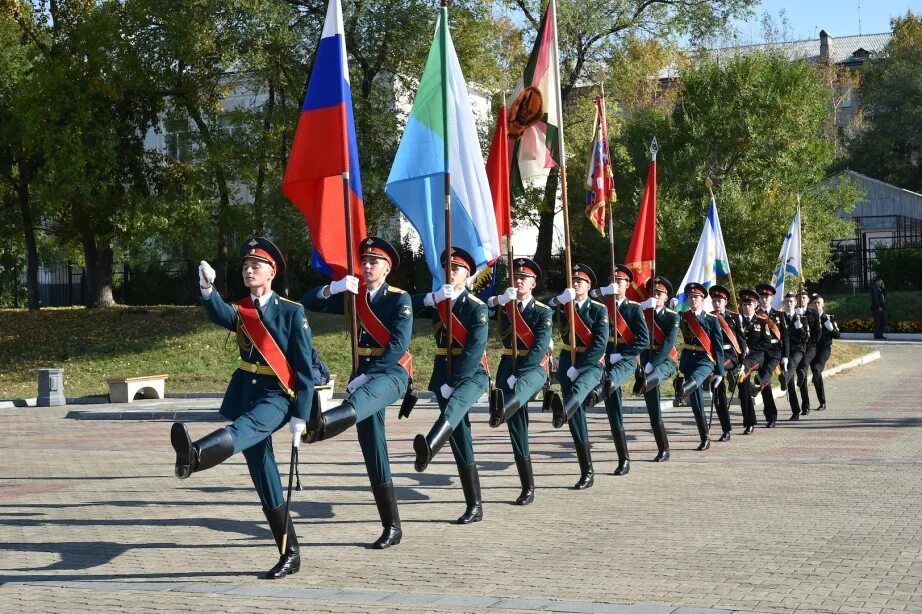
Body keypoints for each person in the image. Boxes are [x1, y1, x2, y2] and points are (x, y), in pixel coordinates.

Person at [171, 237, 315, 579]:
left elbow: (304, 368)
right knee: (264, 475)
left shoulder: (292, 312)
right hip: (245, 393)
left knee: (244, 429)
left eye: (256, 266)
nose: (249, 271)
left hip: (277, 396)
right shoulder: (242, 309)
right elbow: (221, 314)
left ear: (272, 272)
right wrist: (208, 290)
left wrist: (301, 415)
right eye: (246, 266)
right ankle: (290, 553)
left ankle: (196, 455)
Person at [300, 237, 412, 549]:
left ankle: (319, 426)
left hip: (391, 372)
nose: (366, 265)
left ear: (387, 268)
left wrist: (367, 376)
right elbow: (307, 300)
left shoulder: (400, 300)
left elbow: (398, 346)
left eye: (374, 261)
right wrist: (332, 288)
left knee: (357, 402)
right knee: (372, 447)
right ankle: (392, 527)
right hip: (362, 374)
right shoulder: (354, 294)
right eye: (364, 260)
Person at [410, 247, 489, 524]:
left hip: (472, 374)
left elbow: (475, 348)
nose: (450, 272)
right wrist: (432, 298)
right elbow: (404, 305)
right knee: (460, 438)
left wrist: (454, 382)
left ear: (468, 274)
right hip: (443, 373)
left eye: (455, 268)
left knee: (454, 408)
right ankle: (474, 505)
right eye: (446, 267)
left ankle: (429, 446)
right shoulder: (438, 302)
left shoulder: (476, 307)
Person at [487, 257, 553, 505]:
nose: (519, 281)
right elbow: (483, 306)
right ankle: (527, 486)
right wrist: (499, 300)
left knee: (516, 401)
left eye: (524, 278)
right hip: (507, 365)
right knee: (516, 427)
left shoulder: (543, 311)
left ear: (534, 283)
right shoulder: (506, 306)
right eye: (516, 277)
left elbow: (538, 348)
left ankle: (500, 410)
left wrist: (520, 372)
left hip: (532, 367)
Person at [546, 264, 609, 489]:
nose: (575, 284)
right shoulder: (564, 305)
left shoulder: (599, 310)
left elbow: (600, 343)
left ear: (589, 285)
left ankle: (561, 410)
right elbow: (542, 308)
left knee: (578, 391)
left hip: (590, 364)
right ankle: (587, 471)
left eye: (579, 281)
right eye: (573, 281)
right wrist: (558, 299)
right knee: (576, 418)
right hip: (566, 360)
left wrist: (580, 366)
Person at [595, 264, 650, 475]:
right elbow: (584, 294)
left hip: (624, 359)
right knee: (612, 411)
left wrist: (624, 354)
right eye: (612, 281)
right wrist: (603, 292)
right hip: (606, 358)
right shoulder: (602, 305)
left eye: (619, 281)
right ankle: (622, 457)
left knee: (612, 395)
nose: (615, 284)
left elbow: (643, 340)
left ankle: (624, 459)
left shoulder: (633, 308)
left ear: (627, 285)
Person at [676, 282, 724, 451]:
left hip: (705, 360)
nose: (693, 300)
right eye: (690, 297)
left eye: (696, 297)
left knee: (696, 380)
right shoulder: (682, 317)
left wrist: (719, 371)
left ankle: (682, 389)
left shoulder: (711, 319)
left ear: (703, 300)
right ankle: (705, 438)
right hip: (689, 360)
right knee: (696, 403)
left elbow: (717, 346)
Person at [637, 276, 679, 461]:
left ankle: (643, 382)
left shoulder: (672, 316)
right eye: (653, 292)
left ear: (666, 297)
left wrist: (652, 363)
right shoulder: (643, 312)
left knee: (651, 380)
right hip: (645, 359)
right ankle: (663, 447)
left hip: (665, 360)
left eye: (660, 293)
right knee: (653, 405)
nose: (656, 295)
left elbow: (669, 343)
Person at [709, 285, 747, 442]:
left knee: (723, 373)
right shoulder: (708, 316)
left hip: (730, 355)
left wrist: (743, 360)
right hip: (714, 355)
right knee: (717, 388)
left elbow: (741, 340)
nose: (717, 304)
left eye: (720, 301)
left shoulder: (734, 317)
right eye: (714, 301)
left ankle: (747, 421)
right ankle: (726, 429)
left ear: (725, 302)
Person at [753, 284, 788, 428]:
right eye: (761, 297)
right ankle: (771, 416)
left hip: (775, 351)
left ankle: (757, 385)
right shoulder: (754, 314)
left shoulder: (779, 315)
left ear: (771, 298)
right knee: (765, 385)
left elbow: (785, 336)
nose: (764, 299)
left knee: (766, 373)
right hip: (761, 350)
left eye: (766, 297)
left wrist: (785, 355)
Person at [780, 292, 811, 421]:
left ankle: (784, 379)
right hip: (784, 351)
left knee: (792, 365)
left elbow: (806, 337)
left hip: (798, 350)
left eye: (791, 301)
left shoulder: (802, 318)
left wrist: (800, 328)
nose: (789, 304)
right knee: (791, 383)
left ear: (795, 303)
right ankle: (795, 411)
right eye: (787, 301)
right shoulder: (780, 317)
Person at [736, 289, 762, 434]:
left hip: (757, 357)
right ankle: (749, 421)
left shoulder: (761, 321)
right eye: (744, 304)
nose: (747, 307)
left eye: (750, 304)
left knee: (751, 384)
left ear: (755, 305)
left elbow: (766, 343)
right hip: (742, 358)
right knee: (743, 391)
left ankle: (754, 420)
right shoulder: (736, 321)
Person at [809, 294, 840, 411]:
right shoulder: (809, 317)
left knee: (819, 365)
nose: (817, 305)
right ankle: (822, 402)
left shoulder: (829, 318)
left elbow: (838, 335)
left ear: (823, 304)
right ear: (811, 304)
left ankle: (817, 371)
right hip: (812, 349)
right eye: (815, 303)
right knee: (817, 377)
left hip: (824, 348)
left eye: (819, 303)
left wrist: (831, 328)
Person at [796, 291, 820, 416]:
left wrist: (810, 343)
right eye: (799, 297)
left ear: (808, 299)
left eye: (804, 297)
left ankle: (801, 374)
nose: (801, 300)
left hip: (810, 347)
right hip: (799, 347)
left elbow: (817, 333)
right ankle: (805, 405)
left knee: (804, 363)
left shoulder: (813, 313)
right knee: (802, 375)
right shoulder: (794, 313)